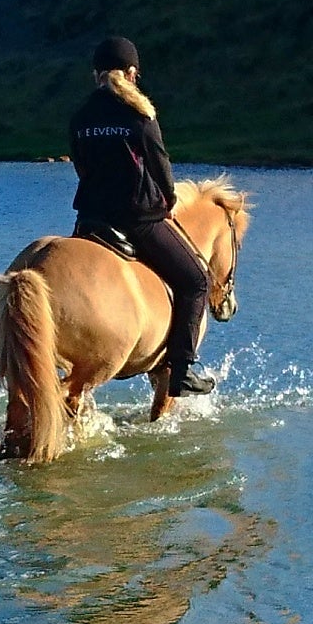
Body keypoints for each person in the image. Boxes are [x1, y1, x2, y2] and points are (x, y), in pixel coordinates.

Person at [68, 36, 213, 396]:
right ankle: (182, 370)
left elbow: (82, 167)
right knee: (196, 281)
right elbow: (162, 170)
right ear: (132, 74)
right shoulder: (140, 115)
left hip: (90, 219)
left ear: (95, 75)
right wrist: (165, 201)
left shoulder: (81, 116)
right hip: (137, 219)